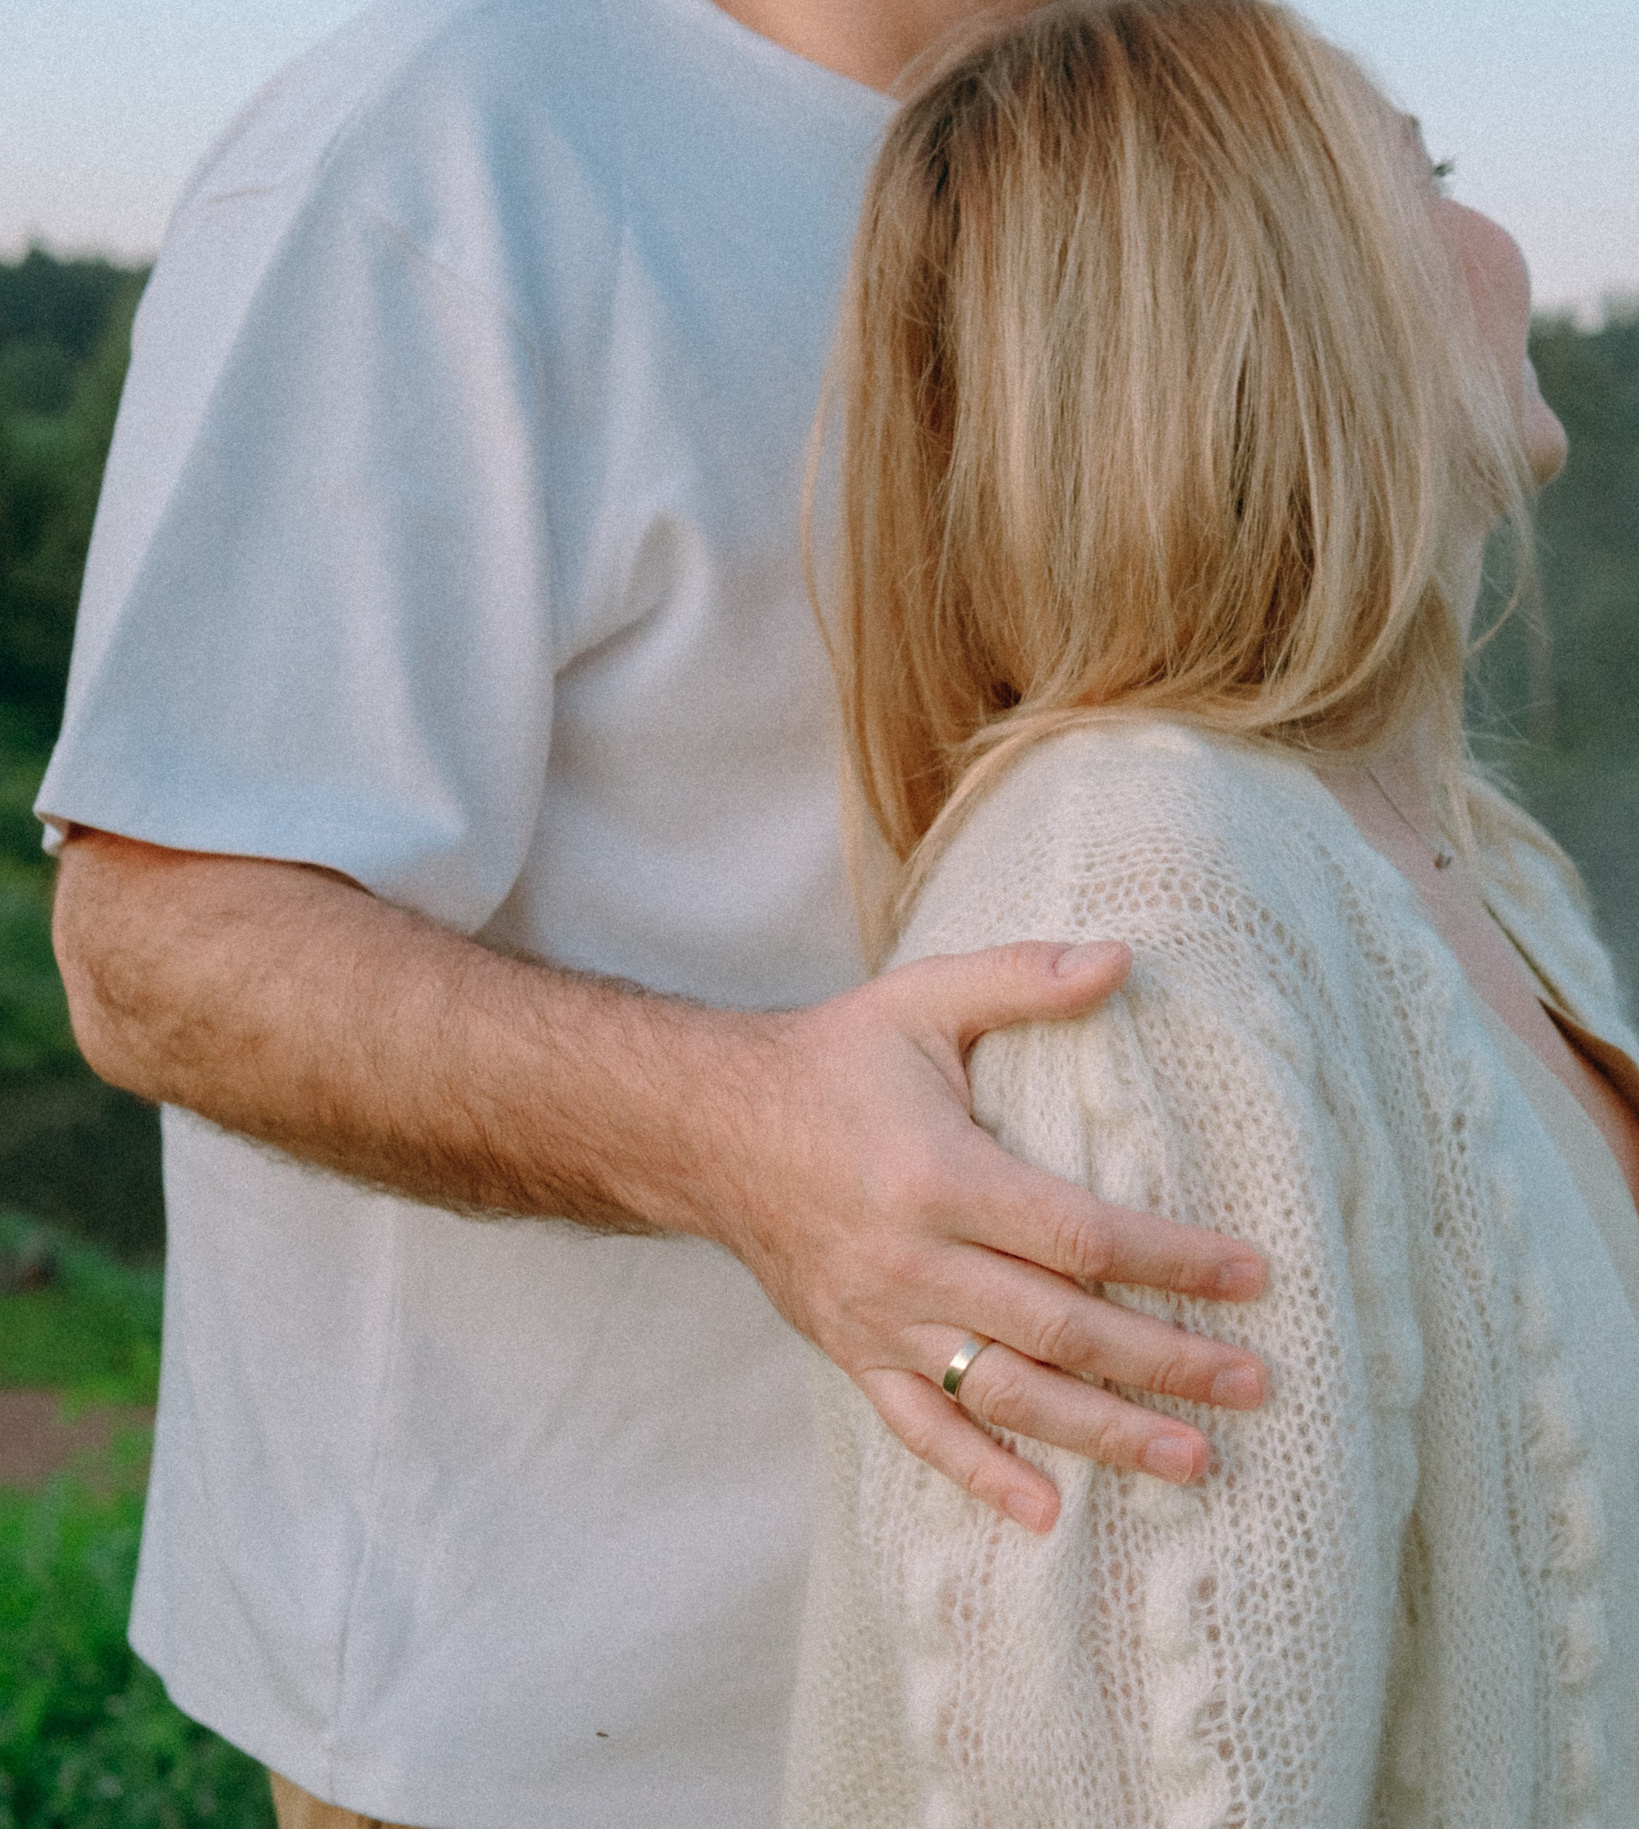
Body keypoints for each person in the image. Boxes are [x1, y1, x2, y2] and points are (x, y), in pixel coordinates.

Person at [37, 0, 1286, 1822]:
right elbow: (162, 944)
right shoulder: (448, 142)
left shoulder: (1189, 121)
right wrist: (745, 1133)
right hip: (542, 1732)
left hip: (1077, 1703)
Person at [781, 3, 1639, 1823]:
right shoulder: (1146, 916)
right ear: (1279, 281)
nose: (1505, 247)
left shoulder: (1483, 868)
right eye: (1430, 178)